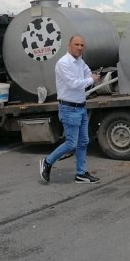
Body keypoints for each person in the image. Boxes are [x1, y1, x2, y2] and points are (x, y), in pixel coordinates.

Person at [39, 35, 101, 184]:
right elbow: (74, 84)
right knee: (71, 143)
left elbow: (87, 72)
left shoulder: (80, 61)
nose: (79, 48)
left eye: (81, 45)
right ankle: (47, 162)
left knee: (83, 141)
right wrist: (91, 79)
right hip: (69, 108)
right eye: (76, 44)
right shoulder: (63, 63)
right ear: (69, 46)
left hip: (81, 107)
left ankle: (80, 173)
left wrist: (89, 77)